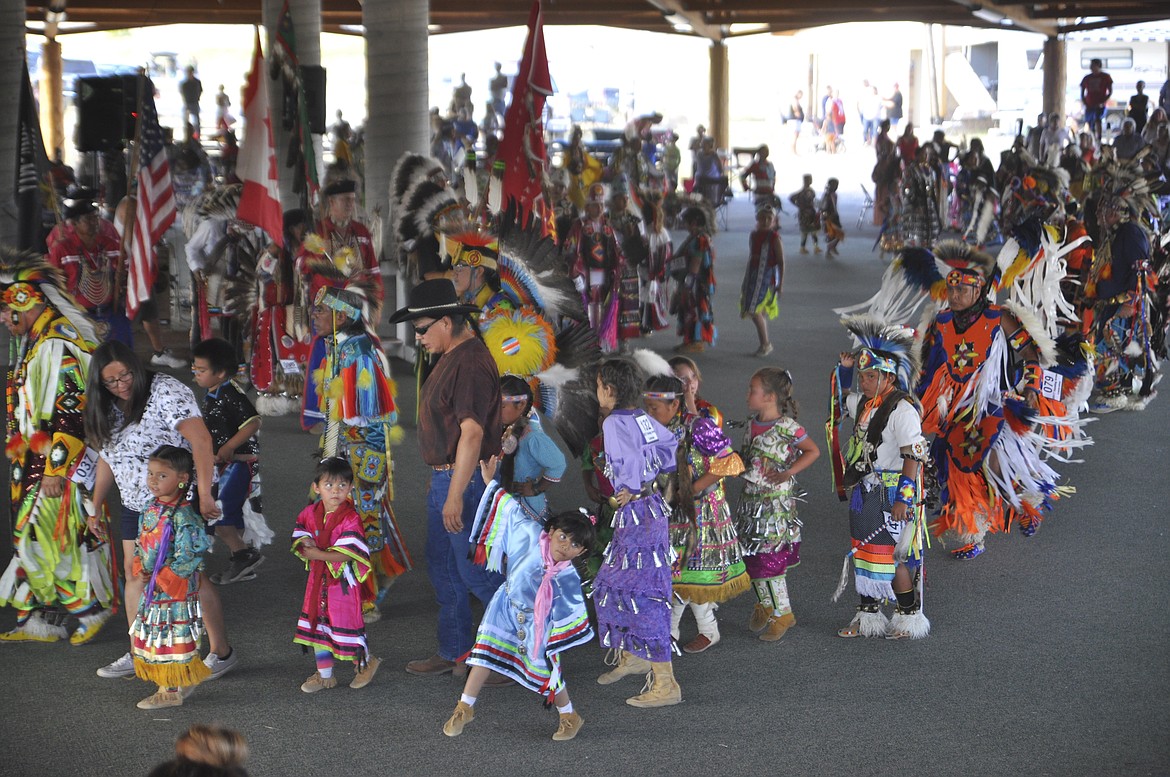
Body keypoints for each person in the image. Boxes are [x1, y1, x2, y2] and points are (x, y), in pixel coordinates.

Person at [85, 340, 238, 682]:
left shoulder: (166, 390)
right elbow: (110, 459)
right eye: (111, 381)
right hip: (135, 504)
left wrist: (202, 495)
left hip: (177, 501)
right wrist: (94, 504)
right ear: (100, 383)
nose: (121, 384)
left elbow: (201, 441)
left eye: (125, 375)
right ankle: (139, 649)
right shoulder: (106, 406)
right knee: (134, 571)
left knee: (188, 574)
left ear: (135, 368)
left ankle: (221, 652)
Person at [916, 243, 1066, 558]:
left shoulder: (999, 318)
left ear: (977, 291)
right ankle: (973, 528)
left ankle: (1022, 498)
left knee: (995, 461)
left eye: (961, 291)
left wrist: (1032, 389)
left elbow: (1030, 354)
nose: (954, 296)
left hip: (991, 400)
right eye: (951, 290)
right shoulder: (941, 322)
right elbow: (928, 366)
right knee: (958, 466)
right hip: (953, 408)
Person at [391, 280, 506, 678]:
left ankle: (520, 656)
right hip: (453, 477)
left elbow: (472, 433)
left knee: (476, 572)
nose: (417, 337)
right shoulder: (457, 355)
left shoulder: (470, 362)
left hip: (466, 481)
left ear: (446, 321)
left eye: (421, 329)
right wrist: (443, 477)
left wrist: (455, 491)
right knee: (445, 567)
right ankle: (456, 651)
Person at [0, 250, 113, 644]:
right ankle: (36, 619)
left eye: (3, 309)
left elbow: (71, 411)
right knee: (32, 536)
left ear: (23, 302)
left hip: (54, 464)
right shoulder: (36, 340)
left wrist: (54, 469)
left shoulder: (57, 343)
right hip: (32, 459)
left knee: (50, 536)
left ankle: (89, 610)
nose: (1, 318)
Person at [443, 471, 596, 741]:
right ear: (551, 531)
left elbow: (571, 607)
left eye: (575, 545)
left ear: (581, 552)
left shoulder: (567, 574)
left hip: (539, 623)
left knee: (549, 671)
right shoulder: (529, 534)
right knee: (483, 654)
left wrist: (555, 636)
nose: (566, 547)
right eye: (563, 537)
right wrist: (491, 480)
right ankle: (464, 707)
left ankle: (569, 715)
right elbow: (509, 508)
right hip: (505, 607)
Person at [302, 279, 409, 619]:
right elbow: (337, 411)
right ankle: (351, 585)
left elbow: (370, 417)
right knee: (342, 518)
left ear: (342, 315)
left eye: (321, 310)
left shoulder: (358, 353)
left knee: (363, 520)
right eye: (315, 309)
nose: (313, 315)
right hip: (345, 452)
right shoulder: (338, 346)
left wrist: (362, 467)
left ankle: (367, 593)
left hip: (362, 457)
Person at [828, 321, 930, 640]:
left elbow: (913, 455)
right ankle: (868, 616)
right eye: (862, 376)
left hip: (891, 493)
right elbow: (840, 401)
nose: (864, 381)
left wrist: (904, 498)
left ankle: (909, 615)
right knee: (864, 551)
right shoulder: (864, 404)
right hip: (865, 491)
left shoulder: (902, 410)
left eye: (870, 376)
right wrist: (844, 371)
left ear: (888, 376)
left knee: (889, 555)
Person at [592, 358, 680, 707]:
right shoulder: (641, 416)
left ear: (609, 390)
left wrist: (629, 485)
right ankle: (635, 654)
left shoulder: (614, 422)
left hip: (636, 513)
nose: (597, 392)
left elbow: (625, 463)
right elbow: (669, 444)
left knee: (641, 592)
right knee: (614, 583)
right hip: (649, 511)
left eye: (599, 386)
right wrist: (649, 477)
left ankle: (666, 682)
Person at [643, 375, 747, 654]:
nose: (650, 413)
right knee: (674, 572)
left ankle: (708, 630)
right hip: (671, 511)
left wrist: (692, 489)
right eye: (647, 407)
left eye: (655, 407)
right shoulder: (653, 429)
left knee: (694, 573)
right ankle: (670, 631)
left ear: (675, 404)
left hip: (701, 513)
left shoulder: (699, 426)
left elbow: (730, 461)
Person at [735, 367, 820, 642]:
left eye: (753, 390)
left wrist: (788, 472)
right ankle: (766, 605)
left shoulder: (787, 428)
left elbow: (813, 451)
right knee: (753, 557)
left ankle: (783, 613)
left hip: (775, 507)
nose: (748, 394)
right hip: (751, 504)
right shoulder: (751, 423)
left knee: (772, 560)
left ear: (770, 397)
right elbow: (747, 456)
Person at [128, 445, 211, 710]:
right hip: (155, 587)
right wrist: (140, 563)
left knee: (172, 634)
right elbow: (143, 540)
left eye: (161, 475)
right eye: (150, 473)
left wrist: (165, 576)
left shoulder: (184, 514)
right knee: (156, 634)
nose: (153, 480)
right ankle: (169, 683)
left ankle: (171, 690)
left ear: (183, 479)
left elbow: (191, 552)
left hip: (173, 589)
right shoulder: (150, 506)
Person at [292, 456, 382, 693]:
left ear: (351, 488)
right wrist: (307, 544)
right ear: (316, 487)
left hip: (342, 583)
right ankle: (325, 675)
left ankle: (364, 663)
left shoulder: (350, 518)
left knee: (345, 624)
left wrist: (316, 555)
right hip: (318, 581)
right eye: (329, 485)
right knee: (320, 625)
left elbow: (348, 554)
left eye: (342, 485)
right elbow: (300, 536)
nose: (335, 491)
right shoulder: (310, 513)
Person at [190, 338, 269, 585]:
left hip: (237, 463)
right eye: (195, 369)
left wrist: (229, 447)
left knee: (218, 513)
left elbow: (254, 422)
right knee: (228, 513)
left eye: (201, 371)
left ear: (221, 373)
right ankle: (243, 559)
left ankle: (243, 554)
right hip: (226, 463)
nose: (196, 375)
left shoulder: (230, 393)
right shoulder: (214, 392)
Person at [48, 196, 129, 344]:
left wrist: (121, 276)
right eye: (87, 219)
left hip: (109, 312)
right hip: (77, 314)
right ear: (75, 223)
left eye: (95, 218)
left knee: (121, 348)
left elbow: (127, 272)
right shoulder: (62, 249)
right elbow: (53, 284)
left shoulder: (111, 245)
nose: (94, 223)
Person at [564, 182, 627, 353]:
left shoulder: (608, 226)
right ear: (587, 207)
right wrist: (574, 272)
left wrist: (619, 266)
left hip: (605, 275)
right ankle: (586, 342)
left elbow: (617, 249)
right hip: (585, 275)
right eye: (595, 205)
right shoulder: (580, 226)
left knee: (602, 306)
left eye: (601, 205)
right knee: (586, 308)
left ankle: (601, 340)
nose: (598, 209)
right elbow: (569, 249)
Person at [496, 375, 565, 522]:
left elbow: (558, 464)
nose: (496, 411)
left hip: (525, 510)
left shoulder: (532, 436)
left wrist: (536, 488)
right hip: (507, 502)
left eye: (501, 406)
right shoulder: (506, 428)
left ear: (521, 405)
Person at [300, 179, 381, 297]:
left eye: (352, 200)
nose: (350, 204)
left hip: (357, 302)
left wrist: (377, 301)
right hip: (326, 303)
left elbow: (373, 270)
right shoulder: (319, 232)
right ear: (332, 202)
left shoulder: (361, 231)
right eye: (345, 200)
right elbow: (299, 265)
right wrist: (319, 254)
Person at [740, 204, 783, 358]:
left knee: (754, 310)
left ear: (774, 221)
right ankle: (763, 343)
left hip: (767, 278)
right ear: (757, 219)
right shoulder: (754, 235)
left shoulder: (774, 238)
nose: (765, 221)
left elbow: (781, 262)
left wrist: (780, 284)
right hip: (753, 275)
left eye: (769, 219)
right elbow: (752, 257)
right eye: (762, 218)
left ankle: (766, 344)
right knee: (758, 310)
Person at [672, 206, 716, 353]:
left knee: (693, 310)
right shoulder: (695, 237)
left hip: (696, 283)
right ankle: (689, 340)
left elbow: (695, 265)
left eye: (686, 222)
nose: (684, 225)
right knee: (687, 310)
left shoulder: (700, 240)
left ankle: (696, 341)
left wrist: (686, 286)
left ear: (694, 222)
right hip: (692, 280)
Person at [669, 355, 723, 427]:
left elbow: (701, 432)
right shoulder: (665, 407)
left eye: (694, 376)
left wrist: (689, 401)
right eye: (683, 379)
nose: (691, 381)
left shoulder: (708, 410)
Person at [872, 119, 898, 226]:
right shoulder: (882, 139)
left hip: (885, 164)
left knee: (884, 190)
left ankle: (884, 215)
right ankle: (883, 216)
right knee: (884, 190)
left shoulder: (882, 138)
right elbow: (883, 153)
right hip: (884, 166)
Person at [1080, 58, 1113, 142]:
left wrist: (1103, 102)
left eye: (1093, 65)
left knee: (1098, 119)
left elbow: (1110, 91)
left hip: (1099, 104)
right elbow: (1082, 92)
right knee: (1089, 122)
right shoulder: (1087, 78)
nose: (1091, 67)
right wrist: (1085, 102)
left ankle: (1099, 138)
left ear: (1099, 66)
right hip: (1089, 103)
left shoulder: (1105, 77)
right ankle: (1091, 138)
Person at [739, 144, 778, 213]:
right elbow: (742, 176)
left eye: (766, 152)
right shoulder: (755, 165)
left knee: (770, 213)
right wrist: (746, 187)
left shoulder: (770, 165)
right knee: (760, 212)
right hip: (759, 194)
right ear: (759, 153)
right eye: (763, 152)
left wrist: (773, 189)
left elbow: (773, 178)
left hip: (769, 193)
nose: (765, 154)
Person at [790, 174, 821, 253]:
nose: (810, 181)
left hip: (811, 213)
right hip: (804, 214)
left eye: (810, 179)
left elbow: (813, 200)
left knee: (814, 231)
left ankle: (816, 247)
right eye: (808, 179)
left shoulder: (811, 190)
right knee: (805, 232)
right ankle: (802, 248)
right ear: (805, 181)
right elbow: (791, 198)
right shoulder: (802, 192)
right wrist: (799, 206)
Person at [820, 177, 843, 257]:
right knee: (834, 234)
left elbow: (834, 207)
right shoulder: (827, 195)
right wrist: (826, 217)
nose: (836, 187)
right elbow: (823, 208)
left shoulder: (834, 195)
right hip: (829, 218)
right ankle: (829, 248)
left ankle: (831, 247)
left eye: (837, 185)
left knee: (838, 234)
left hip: (834, 217)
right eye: (834, 185)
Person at [180, 66, 203, 139]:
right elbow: (182, 93)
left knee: (197, 123)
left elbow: (200, 90)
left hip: (195, 103)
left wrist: (197, 97)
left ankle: (197, 137)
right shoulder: (185, 83)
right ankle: (187, 137)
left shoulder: (197, 82)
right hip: (187, 103)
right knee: (186, 122)